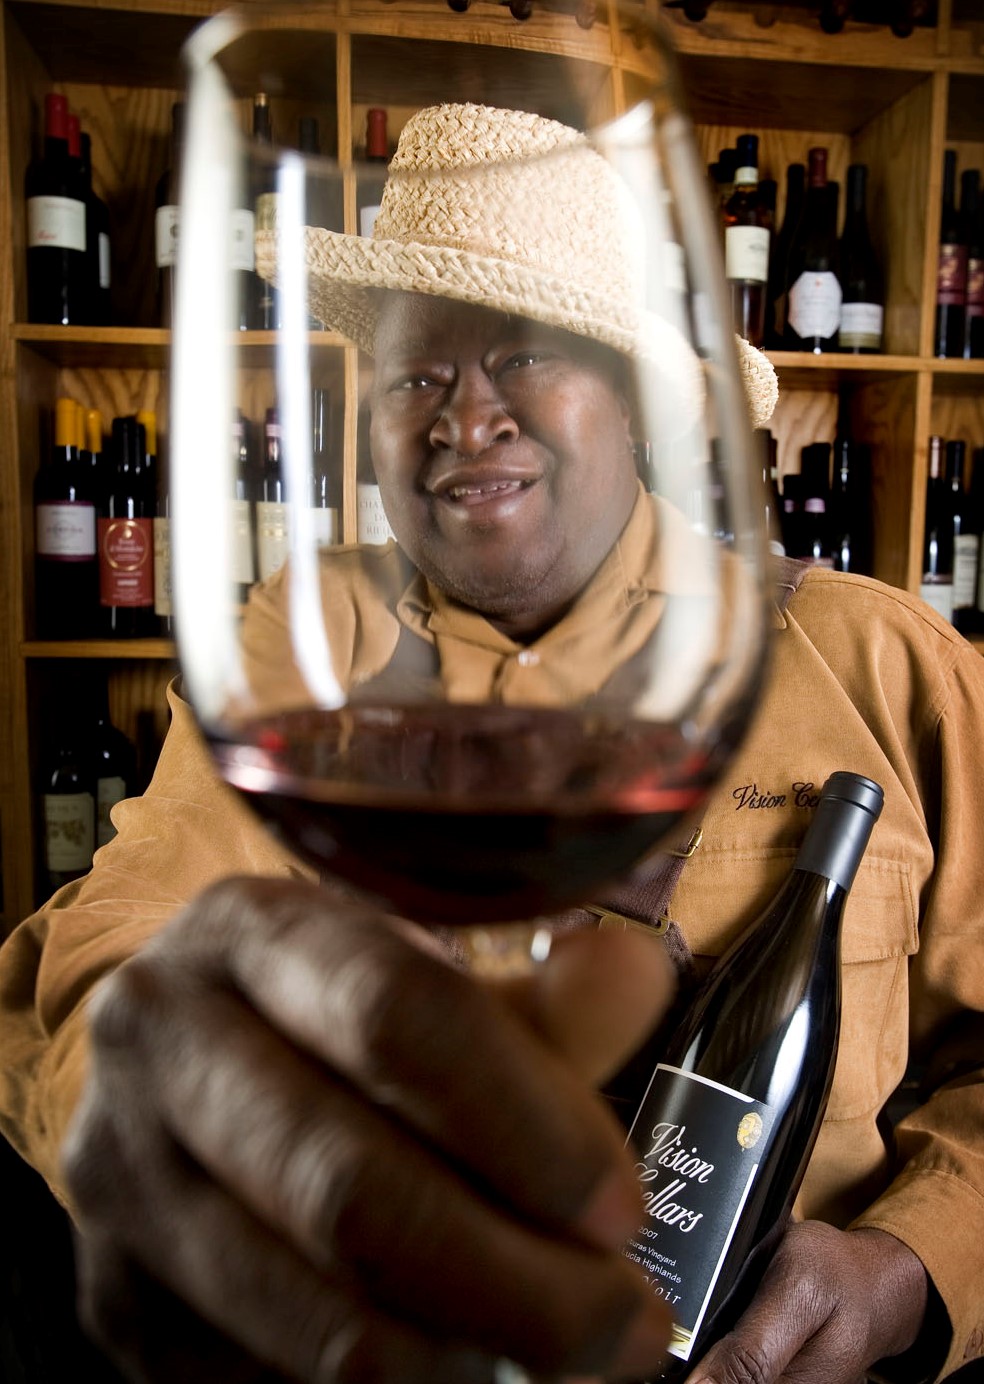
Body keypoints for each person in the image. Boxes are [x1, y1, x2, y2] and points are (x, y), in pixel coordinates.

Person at [1, 100, 983, 1384]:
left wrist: (910, 1264)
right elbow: (108, 952)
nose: (467, 416)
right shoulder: (304, 647)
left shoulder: (878, 661)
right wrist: (181, 1122)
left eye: (525, 356)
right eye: (416, 371)